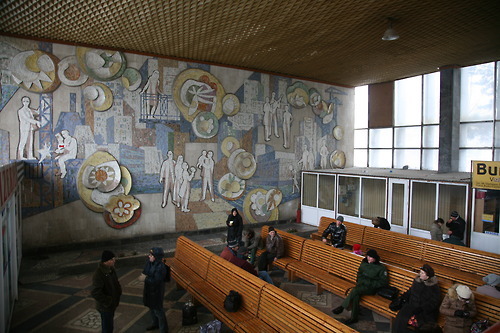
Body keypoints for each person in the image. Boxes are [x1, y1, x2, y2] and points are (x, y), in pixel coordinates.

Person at [332, 249, 387, 325]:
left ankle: (342, 307)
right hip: (361, 285)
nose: (369, 258)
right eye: (368, 256)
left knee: (355, 290)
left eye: (371, 257)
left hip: (371, 288)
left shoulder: (381, 268)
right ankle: (354, 318)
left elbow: (383, 282)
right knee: (355, 295)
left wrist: (368, 283)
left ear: (375, 258)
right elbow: (359, 274)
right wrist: (361, 281)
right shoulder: (364, 263)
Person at [392, 264, 441, 332]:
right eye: (420, 272)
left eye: (422, 273)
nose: (420, 274)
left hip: (424, 311)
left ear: (428, 276)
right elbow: (410, 291)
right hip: (412, 305)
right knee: (401, 319)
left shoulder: (434, 287)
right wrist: (402, 298)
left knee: (422, 324)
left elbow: (434, 302)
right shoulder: (417, 281)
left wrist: (421, 308)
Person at [91, 250, 122, 333]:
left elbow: (116, 282)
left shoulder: (111, 269)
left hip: (112, 304)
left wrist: (119, 291)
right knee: (107, 328)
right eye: (112, 259)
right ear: (106, 261)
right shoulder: (98, 274)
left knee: (109, 325)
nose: (114, 261)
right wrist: (108, 301)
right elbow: (95, 292)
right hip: (105, 307)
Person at [139, 247, 168, 333]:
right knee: (151, 308)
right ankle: (155, 324)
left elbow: (156, 281)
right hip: (149, 290)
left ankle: (164, 330)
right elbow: (145, 271)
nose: (149, 256)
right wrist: (145, 276)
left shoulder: (161, 267)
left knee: (158, 311)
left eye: (151, 255)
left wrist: (145, 279)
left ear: (156, 257)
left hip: (156, 292)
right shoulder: (150, 263)